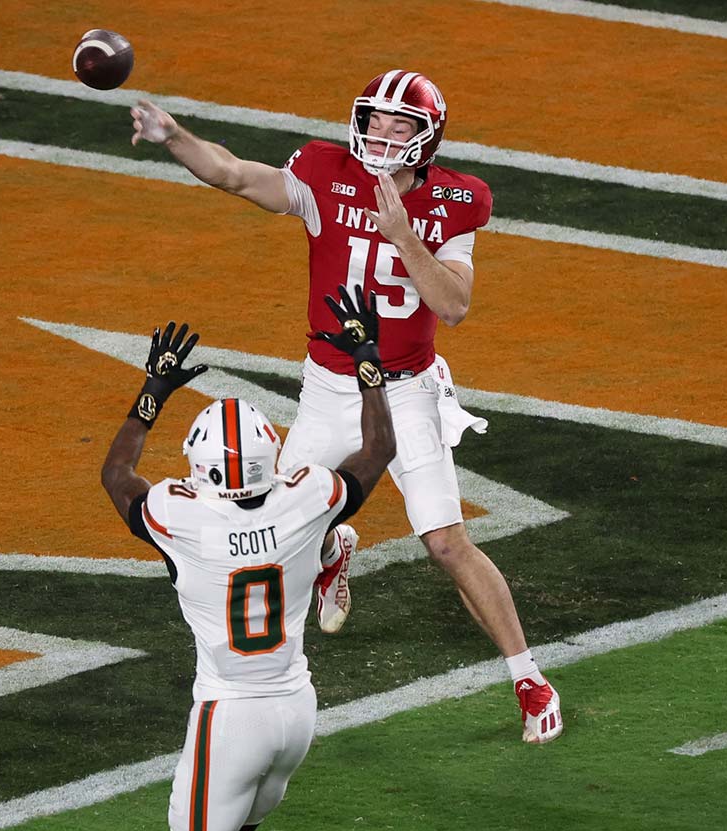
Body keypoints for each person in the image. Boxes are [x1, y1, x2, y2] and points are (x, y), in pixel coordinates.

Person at [130, 71, 562, 744]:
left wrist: (402, 233)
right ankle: (333, 546)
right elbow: (238, 176)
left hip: (407, 391)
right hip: (330, 387)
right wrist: (173, 136)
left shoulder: (456, 199)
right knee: (276, 517)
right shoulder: (324, 171)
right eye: (375, 119)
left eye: (399, 125)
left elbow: (452, 306)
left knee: (446, 542)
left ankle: (529, 679)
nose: (382, 135)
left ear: (426, 138)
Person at [102, 289, 396, 831]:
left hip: (231, 713)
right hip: (296, 708)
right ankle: (331, 557)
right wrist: (368, 359)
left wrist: (152, 395)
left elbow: (117, 476)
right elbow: (378, 451)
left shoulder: (182, 519)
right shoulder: (305, 497)